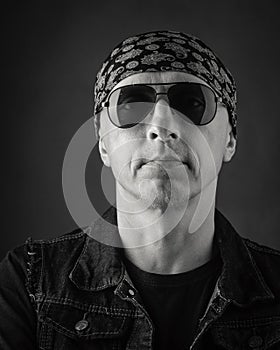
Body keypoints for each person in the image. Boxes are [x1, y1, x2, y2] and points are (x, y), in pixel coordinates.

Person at [1, 30, 280, 350]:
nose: (161, 127)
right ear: (102, 141)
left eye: (192, 102)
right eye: (131, 105)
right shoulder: (27, 285)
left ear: (229, 137)